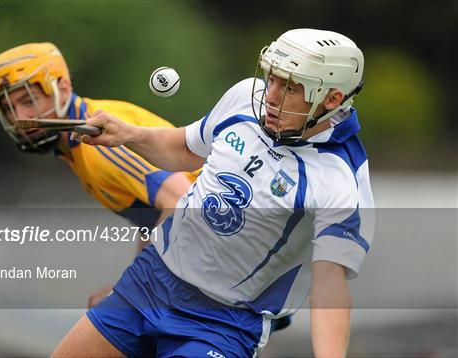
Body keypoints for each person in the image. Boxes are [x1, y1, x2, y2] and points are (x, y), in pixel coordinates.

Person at [54, 28, 374, 357]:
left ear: (332, 99)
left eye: (291, 87)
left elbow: (329, 285)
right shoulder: (244, 98)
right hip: (149, 281)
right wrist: (128, 134)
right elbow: (183, 150)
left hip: (222, 324)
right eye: (273, 78)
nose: (272, 95)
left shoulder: (340, 178)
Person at [0, 42, 194, 306]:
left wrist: (130, 288)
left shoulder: (98, 140)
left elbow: (181, 201)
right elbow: (153, 218)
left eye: (29, 100)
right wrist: (128, 284)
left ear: (62, 88)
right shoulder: (77, 147)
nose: (19, 118)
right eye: (8, 108)